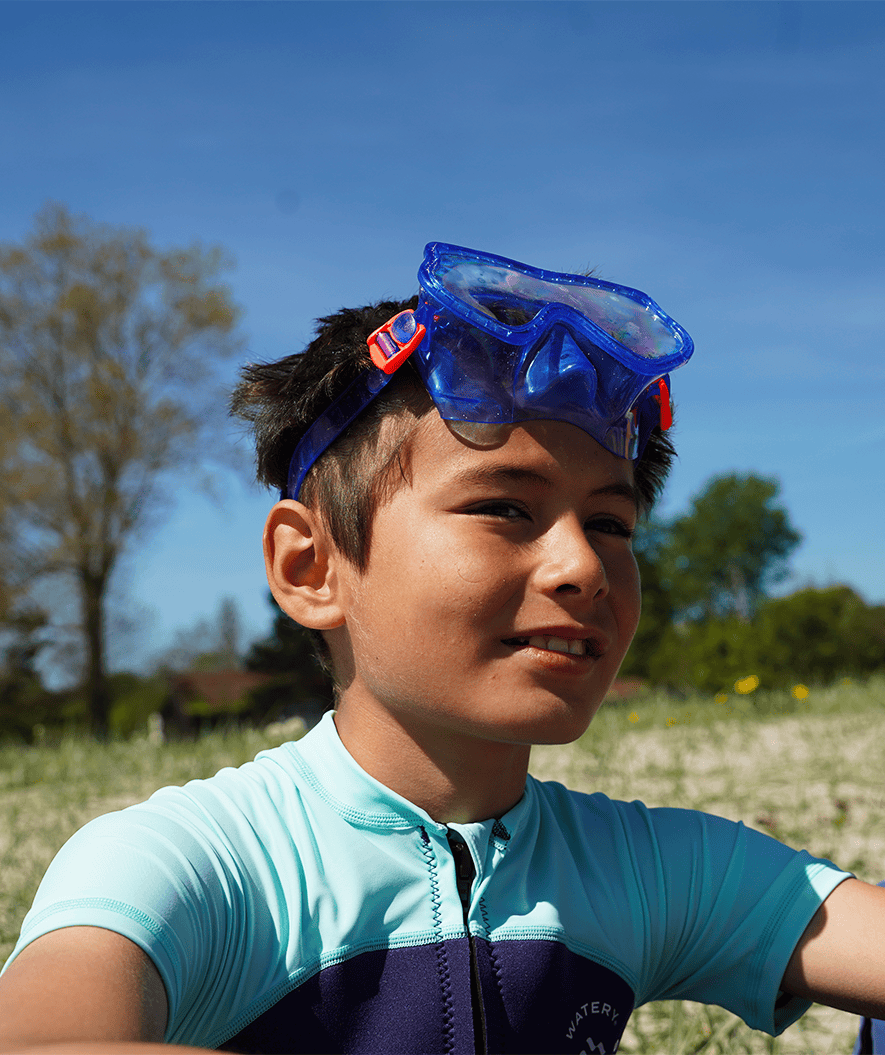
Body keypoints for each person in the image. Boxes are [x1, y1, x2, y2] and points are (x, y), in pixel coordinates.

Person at [0, 243, 883, 1055]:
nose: (583, 565)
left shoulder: (640, 869)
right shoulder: (199, 862)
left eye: (611, 523)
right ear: (311, 567)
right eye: (505, 507)